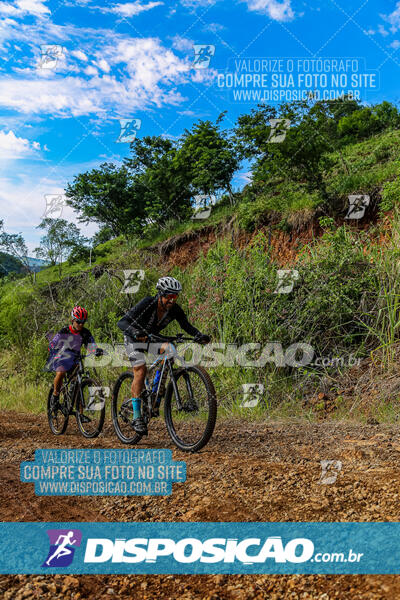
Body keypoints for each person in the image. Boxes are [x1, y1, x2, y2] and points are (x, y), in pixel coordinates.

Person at [117, 276, 210, 435]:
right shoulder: (148, 303)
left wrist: (199, 335)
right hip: (133, 338)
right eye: (168, 296)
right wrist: (135, 332)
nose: (172, 300)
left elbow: (187, 326)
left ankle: (155, 395)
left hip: (151, 339)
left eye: (175, 296)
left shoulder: (175, 310)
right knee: (140, 370)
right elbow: (122, 323)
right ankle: (137, 417)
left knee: (171, 350)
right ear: (160, 294)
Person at [45, 306, 101, 417]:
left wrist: (96, 350)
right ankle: (55, 395)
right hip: (61, 357)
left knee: (78, 383)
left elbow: (92, 345)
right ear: (72, 320)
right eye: (78, 322)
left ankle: (80, 414)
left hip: (75, 358)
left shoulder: (86, 333)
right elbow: (52, 344)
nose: (81, 324)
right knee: (61, 372)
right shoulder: (64, 331)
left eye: (83, 322)